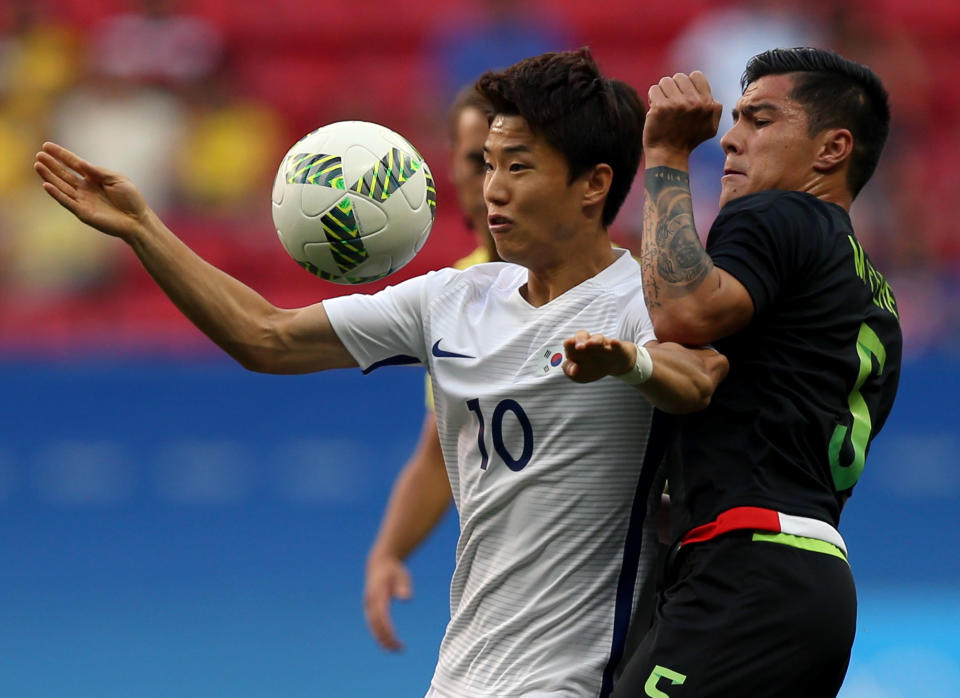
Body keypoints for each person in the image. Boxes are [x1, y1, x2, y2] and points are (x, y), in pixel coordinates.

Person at [34, 48, 729, 696]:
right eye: (487, 165)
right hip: (460, 676)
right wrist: (142, 228)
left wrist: (629, 363)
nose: (493, 191)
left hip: (571, 680)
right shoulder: (453, 299)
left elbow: (699, 378)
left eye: (519, 167)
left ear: (593, 185)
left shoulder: (638, 301)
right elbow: (265, 337)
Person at [605, 48, 902, 697]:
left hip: (744, 570)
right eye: (735, 118)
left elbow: (683, 310)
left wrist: (666, 157)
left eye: (759, 120)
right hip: (812, 581)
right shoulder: (874, 296)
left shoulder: (780, 213)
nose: (731, 138)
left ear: (832, 149)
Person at [363, 84, 499, 652]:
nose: (492, 179)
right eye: (476, 161)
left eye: (508, 161)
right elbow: (441, 451)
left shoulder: (618, 283)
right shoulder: (455, 294)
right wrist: (387, 553)